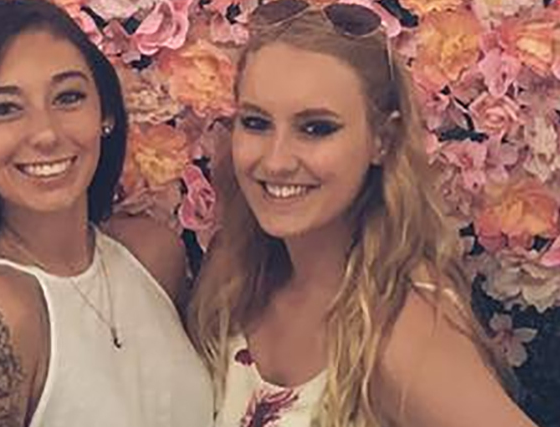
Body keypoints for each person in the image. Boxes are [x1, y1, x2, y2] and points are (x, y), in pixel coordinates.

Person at [184, 1, 539, 426]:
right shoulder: (236, 279)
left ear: (382, 141)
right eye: (257, 123)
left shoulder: (399, 327)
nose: (276, 161)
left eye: (316, 128)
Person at [0, 1, 213, 426]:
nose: (46, 134)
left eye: (68, 97)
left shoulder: (153, 255)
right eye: (5, 108)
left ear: (104, 113)